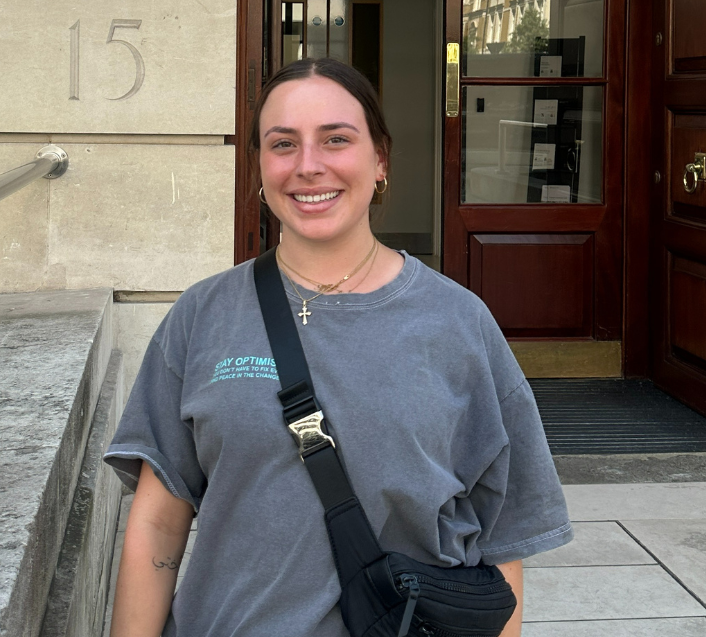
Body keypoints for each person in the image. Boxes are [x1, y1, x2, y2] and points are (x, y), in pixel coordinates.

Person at [105, 57, 572, 637]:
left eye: (336, 140)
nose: (308, 166)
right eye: (282, 144)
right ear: (259, 165)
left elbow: (502, 540)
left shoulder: (458, 322)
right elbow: (158, 524)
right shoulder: (203, 316)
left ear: (380, 160)